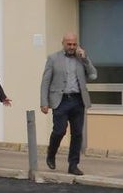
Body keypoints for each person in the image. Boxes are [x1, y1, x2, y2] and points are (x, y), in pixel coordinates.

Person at [40, 32, 97, 176]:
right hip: (61, 100)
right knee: (59, 130)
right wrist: (44, 102)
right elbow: (45, 81)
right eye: (69, 44)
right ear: (63, 43)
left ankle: (73, 164)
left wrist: (85, 59)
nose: (71, 47)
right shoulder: (53, 58)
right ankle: (51, 153)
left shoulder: (81, 59)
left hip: (78, 100)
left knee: (77, 133)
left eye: (74, 44)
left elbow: (93, 75)